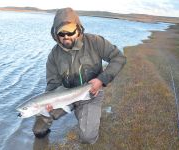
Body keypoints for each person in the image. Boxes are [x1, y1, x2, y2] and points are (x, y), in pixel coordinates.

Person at [32, 7, 126, 144]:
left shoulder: (95, 42)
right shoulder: (54, 55)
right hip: (64, 98)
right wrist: (48, 101)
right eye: (62, 33)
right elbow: (53, 83)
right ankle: (41, 142)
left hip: (91, 94)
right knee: (38, 127)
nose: (66, 36)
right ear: (56, 34)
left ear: (78, 29)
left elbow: (119, 58)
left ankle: (92, 116)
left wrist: (101, 80)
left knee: (88, 138)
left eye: (70, 31)